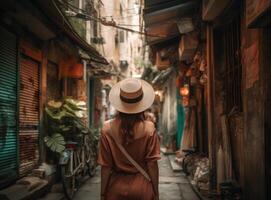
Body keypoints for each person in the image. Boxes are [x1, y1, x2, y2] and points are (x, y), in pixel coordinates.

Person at [97, 78, 161, 200]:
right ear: (141, 104)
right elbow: (152, 164)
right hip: (142, 189)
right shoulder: (149, 128)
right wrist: (156, 192)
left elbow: (105, 166)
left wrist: (102, 194)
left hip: (115, 188)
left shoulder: (107, 129)